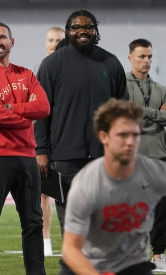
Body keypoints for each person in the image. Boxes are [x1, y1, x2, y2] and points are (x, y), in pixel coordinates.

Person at [34, 10, 128, 236]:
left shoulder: (111, 62)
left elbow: (121, 113)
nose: (82, 31)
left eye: (88, 27)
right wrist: (42, 150)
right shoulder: (51, 64)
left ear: (96, 31)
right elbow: (40, 111)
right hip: (65, 157)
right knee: (71, 222)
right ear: (68, 31)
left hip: (102, 155)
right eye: (76, 27)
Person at [0, 22, 50, 275]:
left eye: (3, 37)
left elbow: (44, 108)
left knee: (33, 224)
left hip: (27, 157)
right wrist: (26, 115)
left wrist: (10, 109)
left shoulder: (26, 74)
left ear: (11, 42)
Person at [60, 98, 165, 275]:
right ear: (104, 136)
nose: (131, 142)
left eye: (135, 134)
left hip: (133, 264)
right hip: (90, 264)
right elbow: (70, 249)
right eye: (123, 135)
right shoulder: (87, 184)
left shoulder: (154, 173)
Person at [125, 38, 166, 269]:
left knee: (161, 209)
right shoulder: (121, 85)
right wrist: (156, 115)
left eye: (149, 56)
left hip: (160, 154)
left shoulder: (161, 89)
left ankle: (158, 255)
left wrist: (142, 114)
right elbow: (125, 114)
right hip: (133, 155)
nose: (146, 61)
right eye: (141, 56)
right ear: (131, 58)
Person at [33, 26, 65, 257]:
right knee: (43, 192)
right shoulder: (38, 71)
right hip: (44, 139)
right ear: (45, 43)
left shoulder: (70, 69)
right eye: (51, 40)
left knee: (69, 192)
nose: (54, 44)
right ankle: (45, 241)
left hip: (66, 140)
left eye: (58, 40)